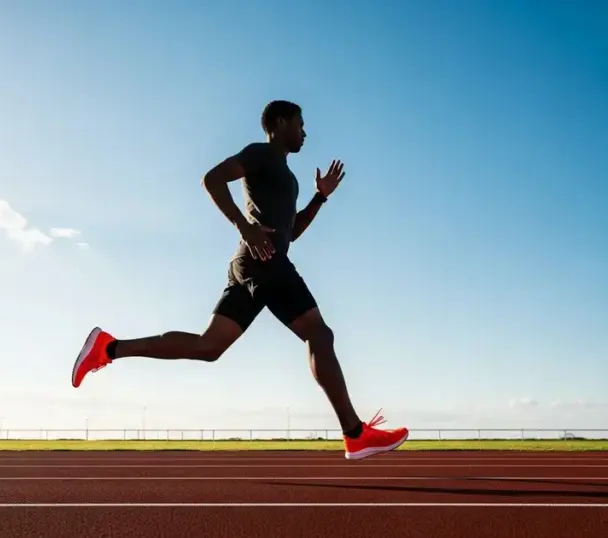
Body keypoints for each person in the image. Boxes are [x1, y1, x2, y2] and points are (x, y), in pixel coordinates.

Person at [71, 100, 409, 460]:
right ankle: (354, 433)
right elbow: (212, 179)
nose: (305, 132)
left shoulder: (288, 178)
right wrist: (246, 227)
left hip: (253, 264)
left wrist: (320, 197)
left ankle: (109, 347)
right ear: (279, 123)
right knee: (319, 334)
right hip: (264, 261)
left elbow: (291, 232)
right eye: (300, 124)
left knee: (208, 347)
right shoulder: (260, 154)